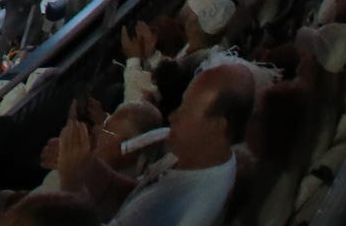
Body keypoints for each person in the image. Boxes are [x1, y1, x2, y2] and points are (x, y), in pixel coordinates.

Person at [50, 60, 254, 226]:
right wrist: (87, 166)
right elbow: (134, 196)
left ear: (217, 125)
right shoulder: (209, 159)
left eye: (186, 109)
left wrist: (71, 183)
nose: (173, 116)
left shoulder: (183, 204)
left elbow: (144, 208)